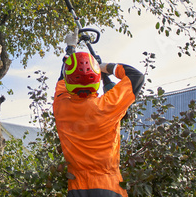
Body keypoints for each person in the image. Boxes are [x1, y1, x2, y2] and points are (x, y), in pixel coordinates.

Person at [52, 29, 145, 197]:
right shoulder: (108, 106)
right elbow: (136, 76)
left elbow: (62, 78)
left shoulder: (61, 106)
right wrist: (106, 68)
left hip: (77, 189)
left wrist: (70, 48)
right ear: (96, 80)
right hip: (109, 187)